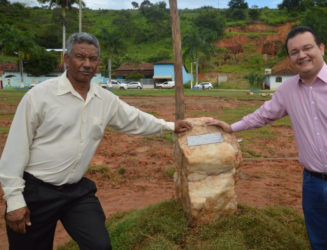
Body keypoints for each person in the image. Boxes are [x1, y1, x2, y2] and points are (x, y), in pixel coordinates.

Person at [0, 32, 192, 250]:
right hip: (37, 191)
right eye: (80, 57)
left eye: (93, 59)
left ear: (98, 63)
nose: (87, 64)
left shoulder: (104, 99)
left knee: (99, 245)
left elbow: (134, 118)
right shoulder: (39, 96)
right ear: (66, 59)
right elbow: (15, 149)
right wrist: (14, 199)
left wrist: (169, 126)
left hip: (75, 191)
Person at [207, 26, 327, 249]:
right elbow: (263, 115)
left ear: (321, 48)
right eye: (294, 52)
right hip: (313, 186)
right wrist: (231, 127)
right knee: (320, 243)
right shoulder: (288, 91)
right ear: (289, 58)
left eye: (307, 48)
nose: (302, 55)